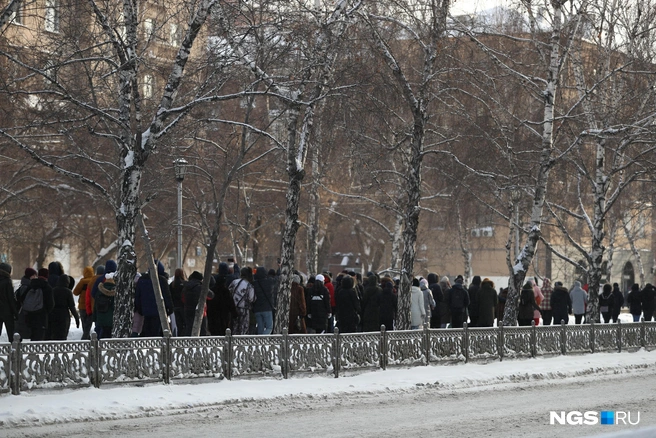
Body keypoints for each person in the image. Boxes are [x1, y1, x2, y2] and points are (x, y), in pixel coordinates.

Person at [24, 268, 55, 341]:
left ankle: (31, 352)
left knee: (33, 338)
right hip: (42, 317)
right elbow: (51, 304)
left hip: (30, 316)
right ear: (47, 276)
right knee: (40, 339)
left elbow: (23, 298)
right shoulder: (47, 288)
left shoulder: (31, 285)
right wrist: (46, 312)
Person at [207, 262, 237, 336]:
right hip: (224, 315)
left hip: (213, 314)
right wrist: (235, 314)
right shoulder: (226, 290)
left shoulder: (212, 289)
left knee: (214, 331)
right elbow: (231, 303)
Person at [182, 271, 213, 336]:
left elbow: (183, 299)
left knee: (189, 329)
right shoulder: (201, 287)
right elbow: (211, 295)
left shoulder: (186, 287)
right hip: (200, 311)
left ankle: (188, 343)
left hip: (187, 310)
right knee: (202, 330)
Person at [49, 274, 80, 340]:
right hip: (64, 315)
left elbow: (50, 304)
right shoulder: (68, 292)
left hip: (54, 314)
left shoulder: (53, 290)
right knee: (63, 334)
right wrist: (76, 318)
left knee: (54, 334)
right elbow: (72, 307)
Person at [230, 267, 256, 335]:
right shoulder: (249, 285)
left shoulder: (234, 282)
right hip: (244, 309)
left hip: (233, 307)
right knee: (243, 327)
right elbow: (251, 298)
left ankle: (233, 342)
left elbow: (229, 292)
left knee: (234, 326)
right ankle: (241, 343)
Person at [73, 266, 95, 340]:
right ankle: (87, 337)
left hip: (82, 306)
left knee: (84, 323)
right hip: (91, 305)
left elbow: (75, 292)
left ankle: (85, 338)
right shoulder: (94, 280)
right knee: (89, 324)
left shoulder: (82, 281)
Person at [14, 267, 37, 339]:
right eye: (33, 275)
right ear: (30, 276)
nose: (35, 277)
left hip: (20, 313)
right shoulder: (28, 287)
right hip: (24, 314)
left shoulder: (22, 286)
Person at [252, 266, 276, 335]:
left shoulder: (254, 283)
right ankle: (263, 340)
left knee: (260, 327)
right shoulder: (269, 282)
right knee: (269, 327)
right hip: (267, 308)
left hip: (257, 309)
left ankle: (259, 341)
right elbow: (278, 279)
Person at [0, 262, 18, 339]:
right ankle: (14, 350)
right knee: (11, 333)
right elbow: (11, 298)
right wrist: (15, 312)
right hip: (7, 311)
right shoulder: (7, 281)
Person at [169, 269, 187, 336]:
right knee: (185, 324)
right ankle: (184, 337)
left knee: (178, 324)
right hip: (183, 306)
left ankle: (179, 337)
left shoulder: (172, 285)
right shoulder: (185, 284)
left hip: (175, 306)